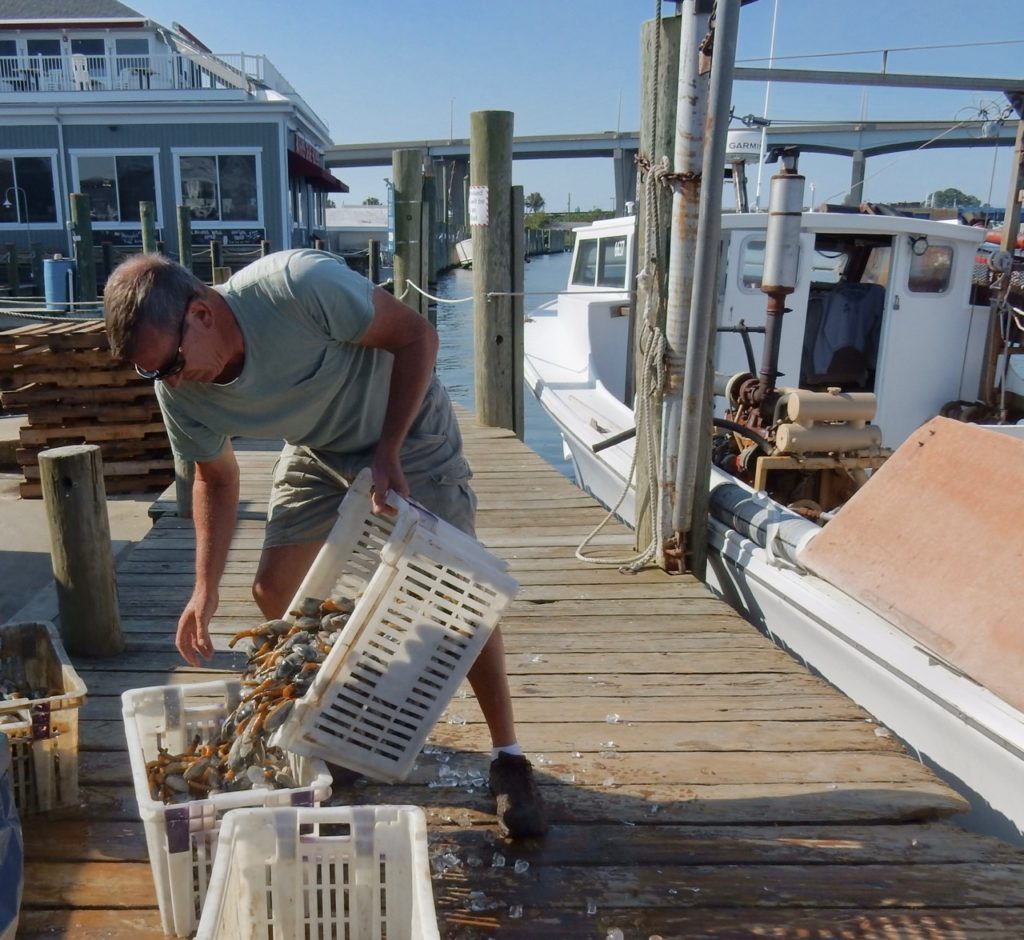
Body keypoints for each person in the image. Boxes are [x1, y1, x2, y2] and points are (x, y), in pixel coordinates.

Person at [103, 249, 547, 840]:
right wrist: (203, 590)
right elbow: (216, 476)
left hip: (405, 426)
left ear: (203, 313)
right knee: (272, 590)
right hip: (316, 446)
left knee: (459, 589)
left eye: (174, 363)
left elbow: (417, 336)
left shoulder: (297, 287)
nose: (173, 381)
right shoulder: (180, 390)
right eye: (152, 372)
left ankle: (509, 757)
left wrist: (388, 449)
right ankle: (339, 722)